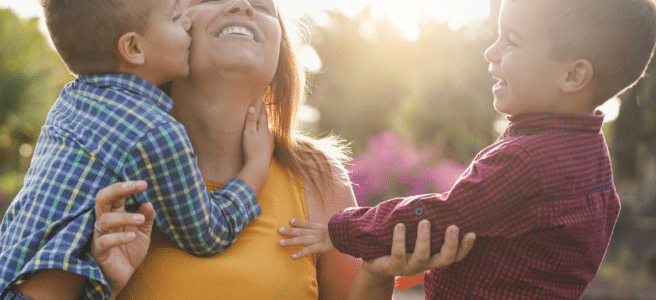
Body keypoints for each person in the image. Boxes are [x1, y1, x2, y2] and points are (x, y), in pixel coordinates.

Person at [280, 0, 656, 298]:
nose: (491, 53)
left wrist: (341, 230)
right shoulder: (594, 163)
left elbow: (439, 216)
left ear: (573, 75)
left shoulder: (525, 161)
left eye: (511, 41)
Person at [111, 0, 476, 299]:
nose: (242, 6)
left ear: (280, 56)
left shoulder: (317, 177)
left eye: (262, 6)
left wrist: (377, 276)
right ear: (159, 36)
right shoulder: (113, 167)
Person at [0, 0, 276, 297]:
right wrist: (256, 167)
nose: (187, 24)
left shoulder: (72, 100)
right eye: (174, 18)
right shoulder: (154, 131)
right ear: (134, 48)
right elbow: (208, 233)